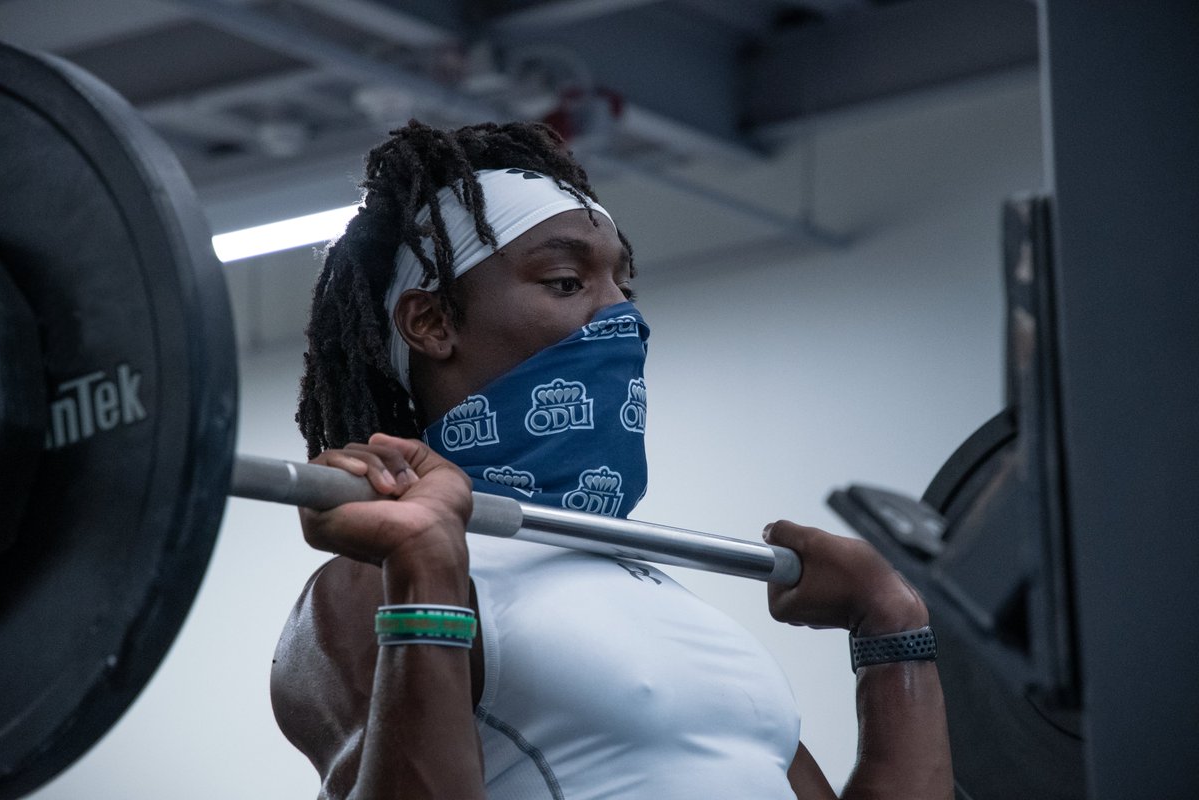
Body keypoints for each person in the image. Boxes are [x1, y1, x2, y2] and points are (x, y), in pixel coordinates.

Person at [271, 120, 952, 799]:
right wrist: (424, 562)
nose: (622, 317)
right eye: (567, 282)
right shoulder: (368, 585)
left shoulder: (673, 609)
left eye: (624, 287)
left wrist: (890, 622)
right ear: (433, 323)